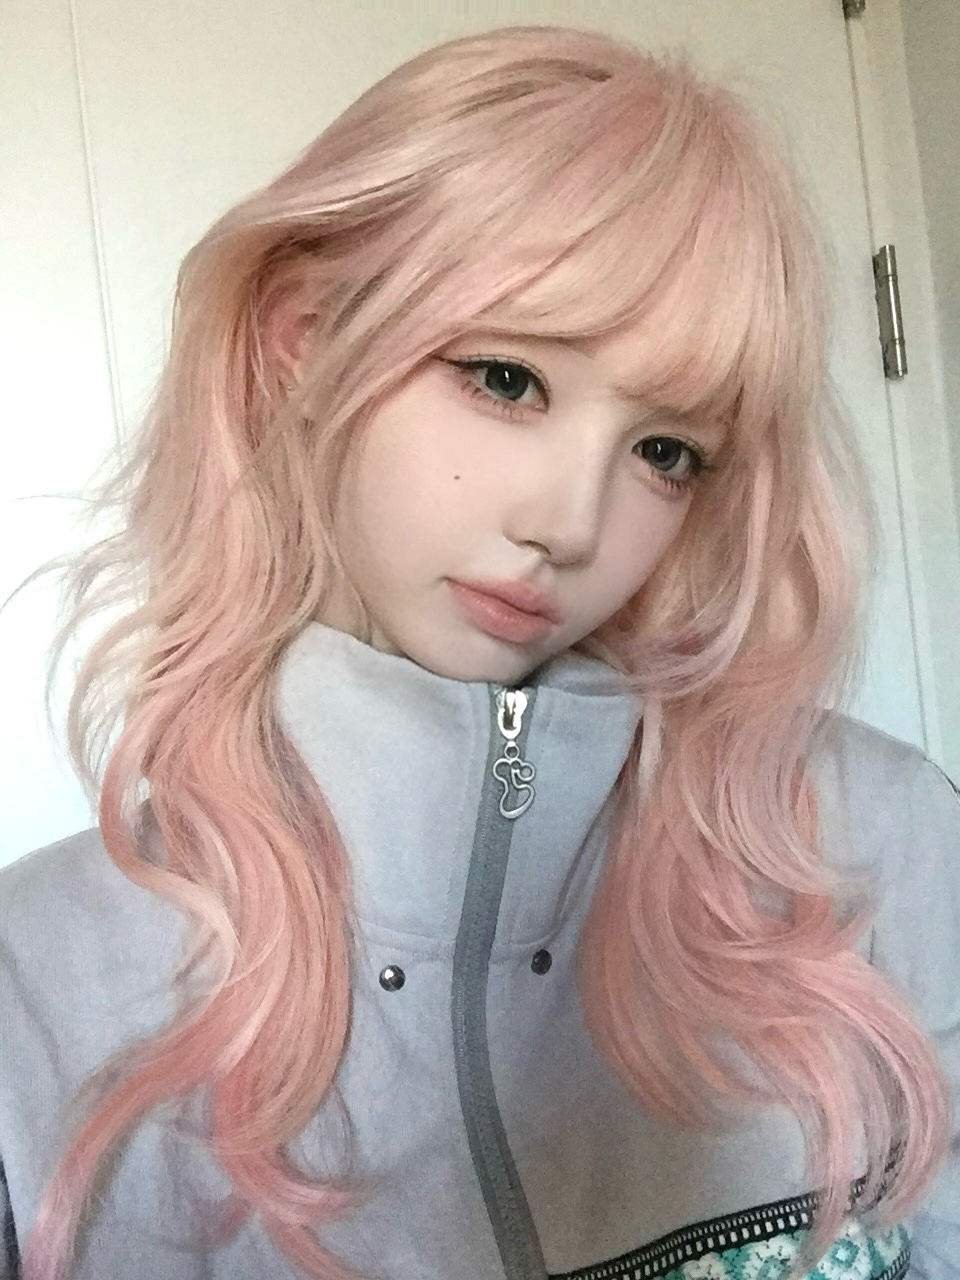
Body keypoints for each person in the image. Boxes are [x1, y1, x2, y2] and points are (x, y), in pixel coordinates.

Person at [1, 22, 957, 1280]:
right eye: (506, 378)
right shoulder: (34, 978)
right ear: (302, 336)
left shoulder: (879, 838)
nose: (569, 524)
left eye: (665, 450)